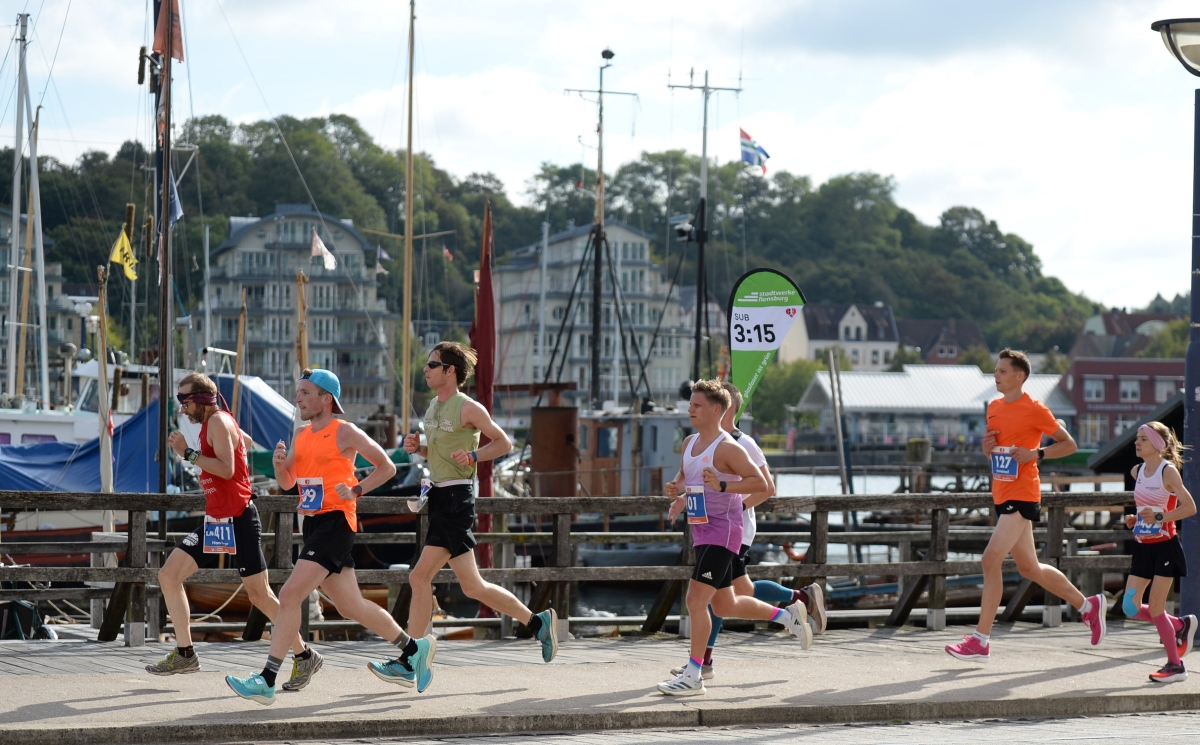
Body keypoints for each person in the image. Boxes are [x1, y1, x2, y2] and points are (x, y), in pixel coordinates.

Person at [226, 369, 433, 705]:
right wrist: (279, 464)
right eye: (298, 393)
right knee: (351, 605)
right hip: (313, 524)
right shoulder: (302, 435)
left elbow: (387, 467)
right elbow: (289, 481)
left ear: (326, 399)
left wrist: (355, 490)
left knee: (290, 594)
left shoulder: (344, 431)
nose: (298, 399)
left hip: (337, 521)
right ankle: (413, 650)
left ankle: (267, 679)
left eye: (305, 393)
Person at [371, 342, 558, 680]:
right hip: (439, 499)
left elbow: (504, 443)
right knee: (473, 586)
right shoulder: (431, 407)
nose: (425, 369)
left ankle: (411, 659)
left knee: (418, 576)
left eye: (432, 364)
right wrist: (419, 448)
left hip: (457, 500)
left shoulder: (467, 407)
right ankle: (536, 622)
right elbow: (438, 454)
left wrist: (473, 457)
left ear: (449, 371)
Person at [147, 373, 316, 685]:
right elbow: (245, 443)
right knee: (168, 575)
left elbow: (226, 468)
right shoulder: (220, 424)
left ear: (200, 399)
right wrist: (235, 443)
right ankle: (185, 654)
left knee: (261, 596)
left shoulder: (217, 423)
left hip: (238, 519)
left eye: (184, 401)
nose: (182, 409)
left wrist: (188, 453)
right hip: (217, 521)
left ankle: (304, 656)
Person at [946, 349, 1106, 662]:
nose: (996, 376)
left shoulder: (1035, 409)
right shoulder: (992, 407)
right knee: (1029, 567)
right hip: (1001, 493)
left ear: (1019, 376)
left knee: (990, 560)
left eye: (1002, 371)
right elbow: (996, 454)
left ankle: (980, 640)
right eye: (995, 371)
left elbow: (1069, 445)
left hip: (1023, 493)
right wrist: (986, 448)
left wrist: (1037, 454)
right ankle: (1089, 606)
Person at [658, 380, 812, 696]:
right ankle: (787, 616)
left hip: (724, 531)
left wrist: (725, 487)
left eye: (697, 405)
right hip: (700, 529)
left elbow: (762, 485)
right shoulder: (689, 442)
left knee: (694, 600)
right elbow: (687, 475)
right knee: (725, 605)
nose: (690, 409)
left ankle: (693, 675)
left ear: (717, 410)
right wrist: (677, 491)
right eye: (690, 404)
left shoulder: (730, 448)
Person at [1121, 422, 1197, 683]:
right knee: (1129, 606)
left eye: (1142, 439)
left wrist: (1160, 517)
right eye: (1137, 438)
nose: (1136, 442)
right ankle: (1179, 624)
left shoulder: (1168, 472)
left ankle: (1176, 666)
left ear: (1156, 444)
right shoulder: (1137, 470)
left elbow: (1189, 508)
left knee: (1155, 608)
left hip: (1165, 546)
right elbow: (1146, 508)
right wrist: (1136, 519)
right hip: (1142, 546)